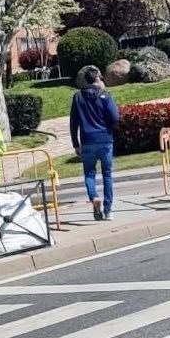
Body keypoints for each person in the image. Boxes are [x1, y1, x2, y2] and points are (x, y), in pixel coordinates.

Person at [69, 65, 118, 221]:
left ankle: (94, 196)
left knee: (89, 174)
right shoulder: (105, 95)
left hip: (87, 140)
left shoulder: (78, 97)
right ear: (97, 79)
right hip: (105, 139)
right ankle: (108, 210)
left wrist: (75, 143)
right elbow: (115, 117)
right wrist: (110, 128)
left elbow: (73, 122)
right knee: (107, 175)